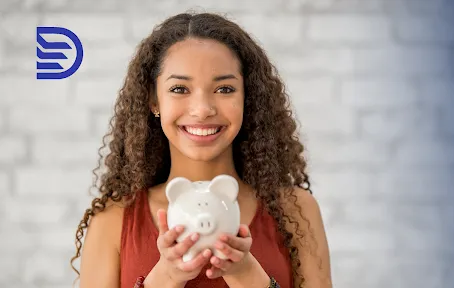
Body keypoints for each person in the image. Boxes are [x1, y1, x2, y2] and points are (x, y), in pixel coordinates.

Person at [70, 11, 332, 288]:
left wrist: (247, 276)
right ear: (153, 100)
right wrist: (166, 277)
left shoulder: (296, 211)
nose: (203, 110)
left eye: (225, 89)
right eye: (180, 89)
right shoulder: (113, 220)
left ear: (247, 98)